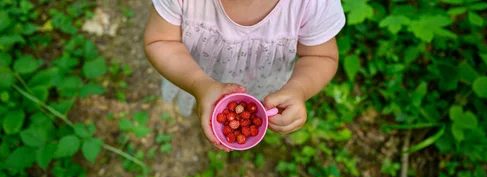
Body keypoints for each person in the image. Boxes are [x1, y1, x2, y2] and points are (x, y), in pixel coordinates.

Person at [143, 0, 346, 152]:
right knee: (200, 107)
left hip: (264, 82)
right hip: (192, 71)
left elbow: (320, 55)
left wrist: (298, 89)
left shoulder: (314, 5)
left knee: (254, 105)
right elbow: (161, 41)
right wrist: (198, 84)